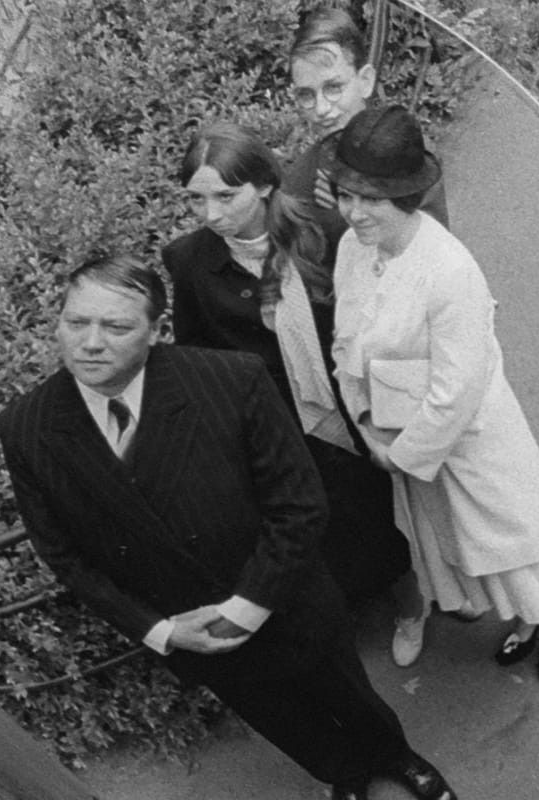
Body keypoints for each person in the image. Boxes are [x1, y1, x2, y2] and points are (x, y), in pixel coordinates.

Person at [0, 256, 456, 800]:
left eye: (116, 326)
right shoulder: (27, 427)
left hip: (286, 599)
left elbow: (299, 504)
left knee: (346, 692)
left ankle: (395, 757)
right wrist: (161, 632)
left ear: (157, 332)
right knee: (278, 718)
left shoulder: (230, 381)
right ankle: (344, 776)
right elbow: (65, 556)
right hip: (188, 628)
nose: (90, 343)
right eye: (76, 322)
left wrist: (245, 607)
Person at [323, 105, 539, 683]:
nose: (354, 211)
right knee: (470, 543)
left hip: (466, 434)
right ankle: (528, 615)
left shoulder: (449, 271)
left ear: (407, 195)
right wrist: (365, 418)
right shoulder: (352, 248)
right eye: (346, 194)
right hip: (400, 428)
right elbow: (347, 338)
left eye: (372, 198)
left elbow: (456, 390)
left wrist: (398, 455)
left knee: (515, 529)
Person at [163, 122, 410, 606]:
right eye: (195, 200)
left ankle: (408, 602)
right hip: (274, 426)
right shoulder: (188, 260)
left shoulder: (324, 233)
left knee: (379, 506)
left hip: (348, 404)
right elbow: (198, 354)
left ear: (264, 185)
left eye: (226, 197)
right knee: (319, 520)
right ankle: (356, 602)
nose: (210, 215)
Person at [285, 5, 447, 259]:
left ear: (366, 81)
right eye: (306, 94)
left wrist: (350, 212)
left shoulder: (410, 155)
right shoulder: (299, 182)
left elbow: (435, 253)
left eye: (334, 87)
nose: (322, 109)